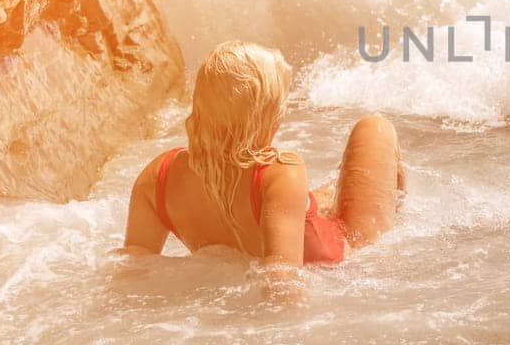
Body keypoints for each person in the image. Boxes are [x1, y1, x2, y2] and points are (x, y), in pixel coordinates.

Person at [122, 40, 404, 267]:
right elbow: (282, 277)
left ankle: (332, 200)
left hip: (282, 210)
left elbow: (133, 265)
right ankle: (400, 212)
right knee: (375, 128)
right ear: (264, 114)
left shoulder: (157, 176)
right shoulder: (281, 171)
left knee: (318, 196)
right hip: (344, 244)